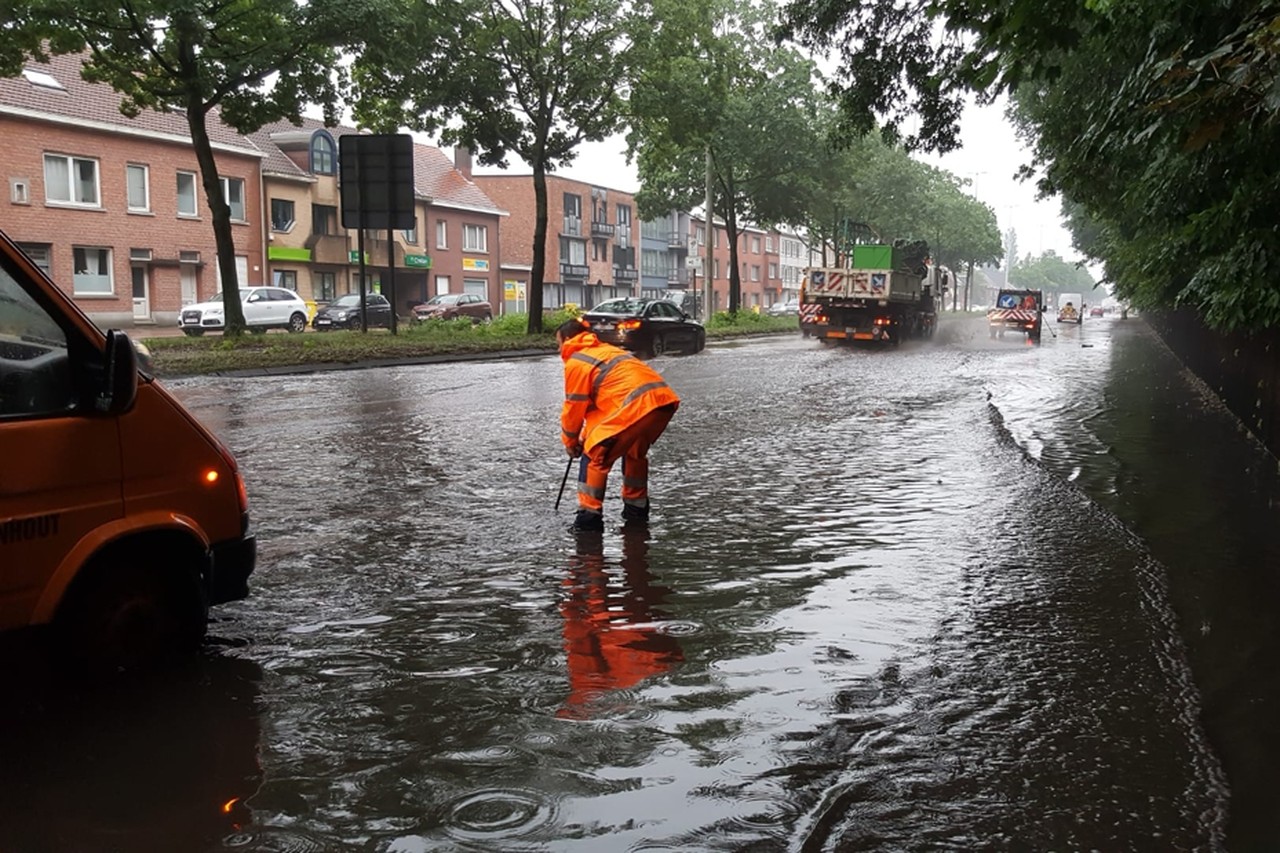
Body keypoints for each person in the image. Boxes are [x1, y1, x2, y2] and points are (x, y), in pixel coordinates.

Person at [556, 318, 681, 533]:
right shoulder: (607, 351)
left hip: (635, 408)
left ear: (567, 339)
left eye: (557, 343)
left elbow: (574, 408)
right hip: (661, 404)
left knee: (594, 457)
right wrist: (585, 435)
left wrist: (570, 442)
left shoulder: (577, 361)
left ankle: (589, 520)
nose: (558, 349)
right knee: (634, 454)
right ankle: (636, 513)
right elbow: (603, 410)